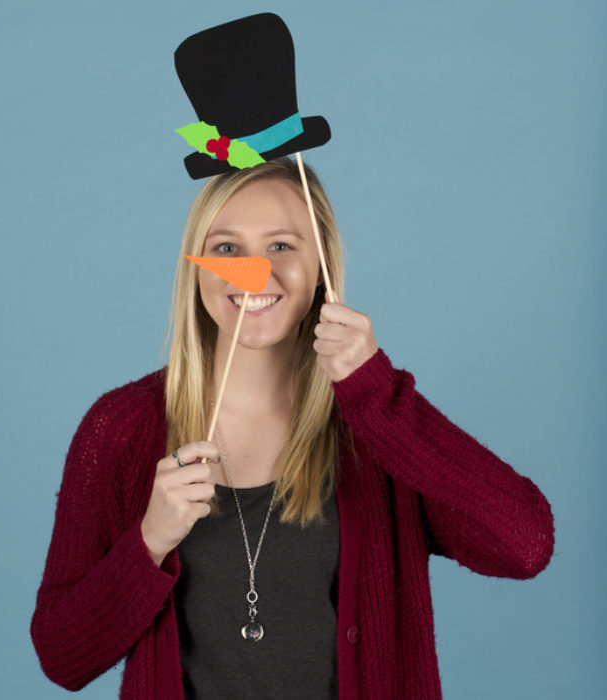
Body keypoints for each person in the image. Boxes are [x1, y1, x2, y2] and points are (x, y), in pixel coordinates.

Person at [30, 157, 555, 699]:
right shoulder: (120, 429)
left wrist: (377, 396)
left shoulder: (378, 426)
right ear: (196, 268)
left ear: (321, 264)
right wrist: (149, 541)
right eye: (227, 249)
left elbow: (524, 544)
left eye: (281, 245)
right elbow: (62, 658)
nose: (255, 271)